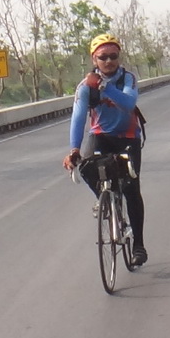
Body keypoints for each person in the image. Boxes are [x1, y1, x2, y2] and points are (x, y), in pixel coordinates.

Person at [62, 33, 148, 266]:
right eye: (103, 57)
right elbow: (78, 118)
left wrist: (104, 87)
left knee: (131, 188)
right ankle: (105, 198)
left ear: (119, 57)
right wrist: (74, 149)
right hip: (100, 136)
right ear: (94, 59)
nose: (109, 61)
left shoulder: (128, 78)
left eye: (113, 56)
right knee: (85, 166)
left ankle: (139, 246)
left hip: (128, 137)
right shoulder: (85, 87)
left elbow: (129, 103)